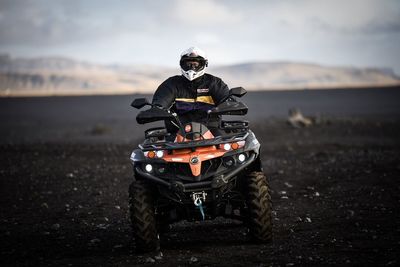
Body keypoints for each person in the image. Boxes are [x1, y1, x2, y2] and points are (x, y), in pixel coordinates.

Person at [152, 47, 230, 135]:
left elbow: (226, 100)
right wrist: (157, 108)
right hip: (178, 132)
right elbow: (161, 101)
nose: (192, 68)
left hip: (211, 131)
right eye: (188, 64)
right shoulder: (171, 84)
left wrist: (230, 103)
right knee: (151, 147)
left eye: (195, 64)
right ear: (182, 64)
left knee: (233, 146)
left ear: (204, 64)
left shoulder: (214, 83)